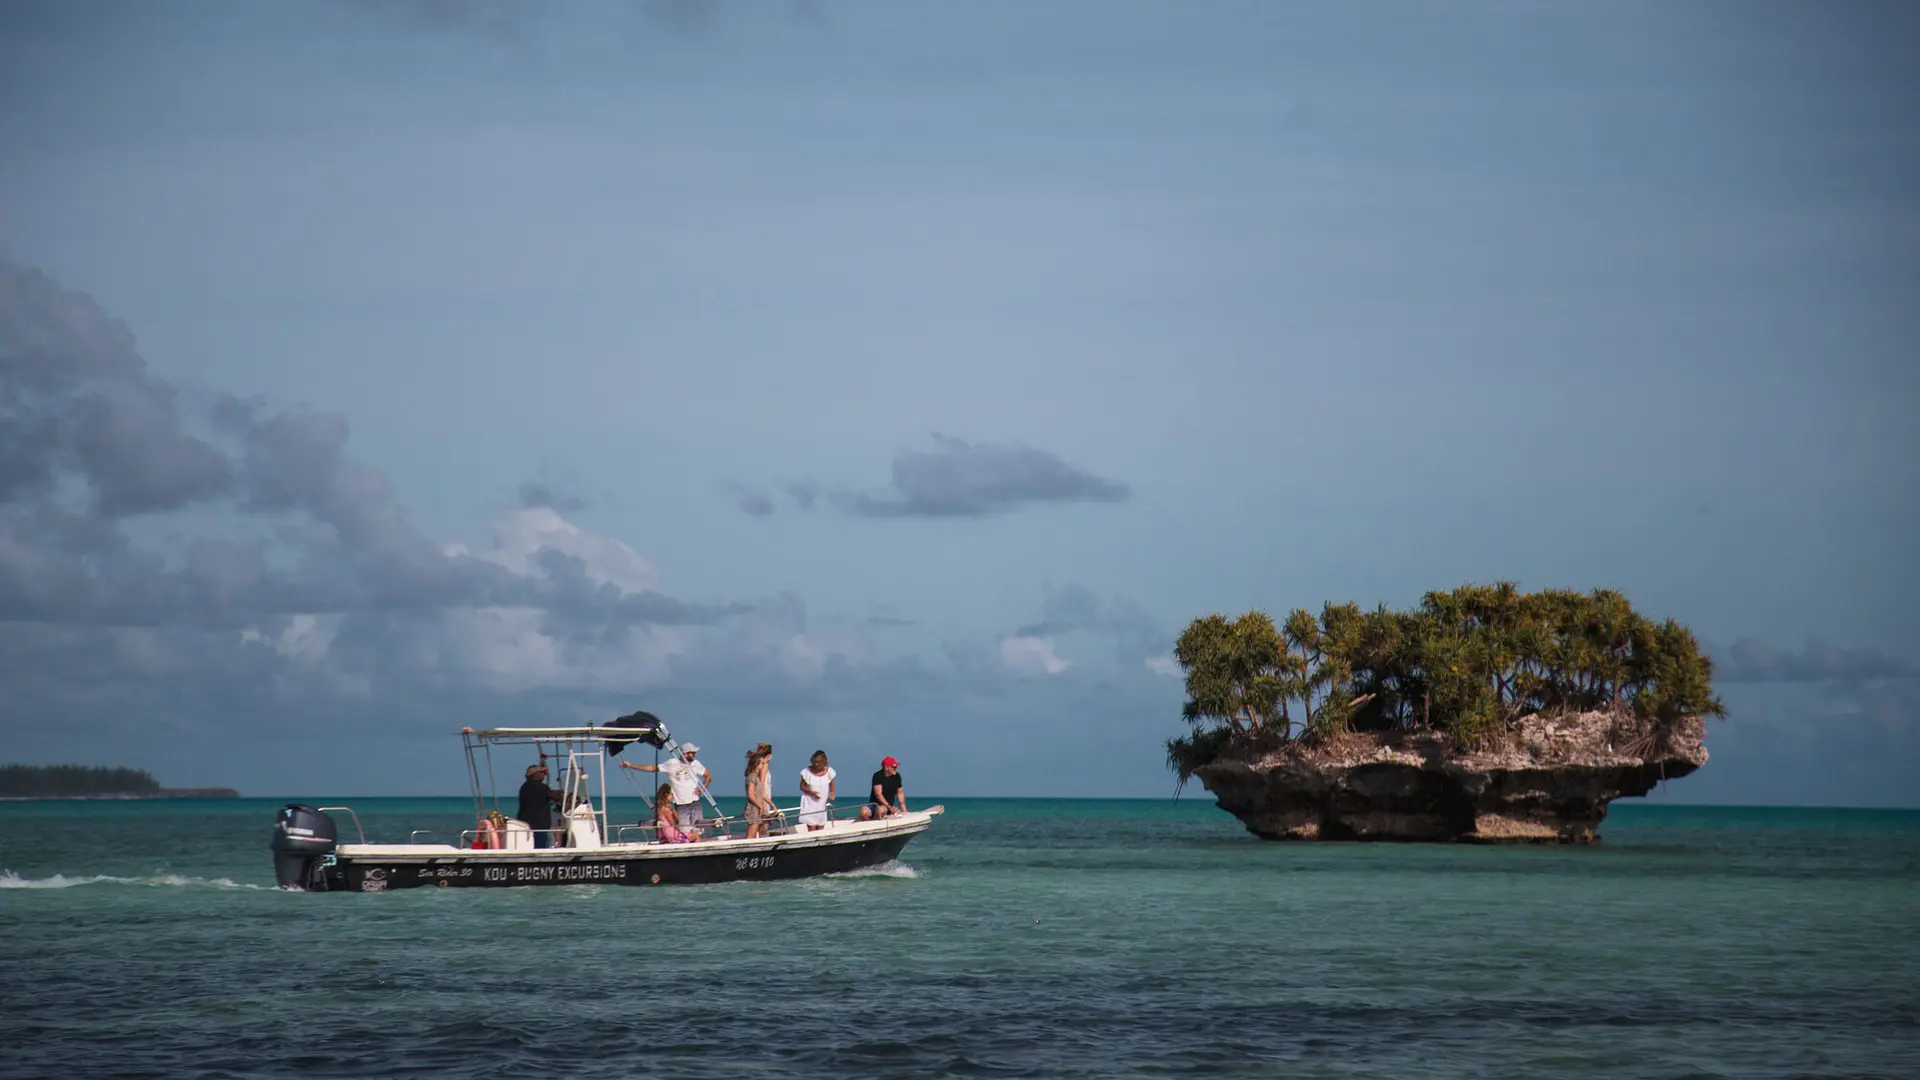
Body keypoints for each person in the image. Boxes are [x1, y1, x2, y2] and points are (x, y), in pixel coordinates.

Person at [621, 743, 711, 830]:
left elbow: (708, 776)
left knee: (698, 830)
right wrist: (631, 765)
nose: (694, 755)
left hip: (695, 802)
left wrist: (701, 790)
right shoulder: (672, 763)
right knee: (685, 830)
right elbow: (653, 768)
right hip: (681, 804)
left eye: (694, 753)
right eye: (692, 753)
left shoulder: (696, 764)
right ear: (685, 753)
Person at [517, 763, 563, 849]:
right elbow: (555, 797)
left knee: (529, 846)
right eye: (541, 772)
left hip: (525, 823)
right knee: (539, 848)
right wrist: (562, 794)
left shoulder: (524, 787)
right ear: (535, 775)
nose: (544, 774)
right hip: (539, 826)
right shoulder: (541, 787)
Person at [859, 755, 907, 820]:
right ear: (886, 767)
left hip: (885, 807)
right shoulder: (877, 776)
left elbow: (900, 793)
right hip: (874, 804)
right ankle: (867, 824)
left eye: (896, 766)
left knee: (881, 810)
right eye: (894, 767)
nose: (896, 768)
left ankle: (875, 823)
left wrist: (904, 809)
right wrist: (890, 807)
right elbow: (878, 794)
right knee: (863, 811)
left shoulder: (897, 776)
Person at [798, 750, 836, 832]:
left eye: (819, 762)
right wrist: (812, 792)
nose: (817, 764)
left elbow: (832, 784)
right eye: (815, 762)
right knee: (812, 828)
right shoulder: (807, 772)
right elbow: (802, 786)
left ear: (824, 761)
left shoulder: (829, 772)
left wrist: (832, 793)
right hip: (810, 803)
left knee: (820, 828)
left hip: (821, 804)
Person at [744, 743, 776, 839]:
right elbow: (753, 793)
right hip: (756, 805)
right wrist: (762, 805)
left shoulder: (754, 777)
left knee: (755, 831)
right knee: (755, 832)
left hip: (760, 802)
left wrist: (772, 804)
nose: (763, 765)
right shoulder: (753, 777)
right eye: (761, 764)